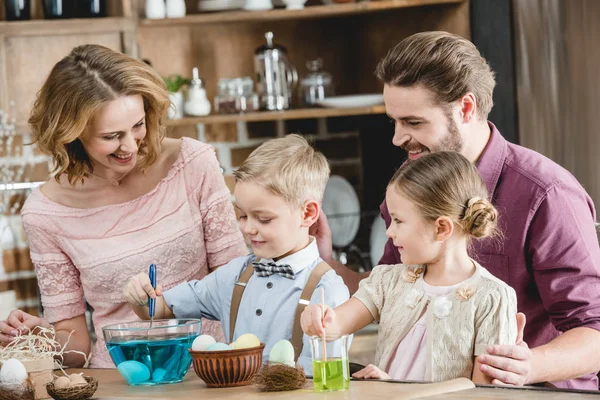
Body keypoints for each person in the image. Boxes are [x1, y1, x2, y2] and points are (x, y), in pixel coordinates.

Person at [312, 31, 600, 389]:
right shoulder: (409, 183)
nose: (397, 138)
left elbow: (594, 330)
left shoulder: (548, 194)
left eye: (413, 122)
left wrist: (529, 366)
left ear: (465, 108)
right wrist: (326, 261)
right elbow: (390, 290)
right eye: (394, 122)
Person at [0, 44, 248, 368]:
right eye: (111, 136)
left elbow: (237, 283)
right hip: (121, 380)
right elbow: (75, 347)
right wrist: (40, 336)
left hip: (210, 371)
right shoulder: (45, 213)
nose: (130, 145)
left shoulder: (192, 163)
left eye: (138, 125)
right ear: (71, 135)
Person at [123, 134, 350, 374]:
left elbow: (325, 378)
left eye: (263, 219)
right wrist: (142, 298)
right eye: (242, 215)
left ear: (307, 214)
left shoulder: (328, 292)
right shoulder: (235, 275)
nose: (247, 228)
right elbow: (162, 309)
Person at [303, 151, 517, 384]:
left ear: (441, 228)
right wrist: (318, 319)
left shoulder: (492, 298)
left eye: (399, 221)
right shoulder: (387, 281)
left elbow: (485, 395)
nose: (389, 231)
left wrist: (397, 390)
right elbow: (336, 324)